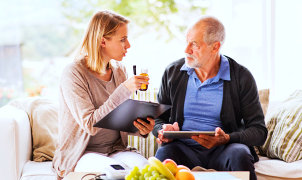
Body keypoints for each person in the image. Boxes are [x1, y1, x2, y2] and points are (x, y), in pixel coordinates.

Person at [152, 16, 267, 180]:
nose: (186, 49)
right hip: (183, 148)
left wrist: (227, 138)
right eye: (187, 42)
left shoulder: (241, 77)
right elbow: (158, 120)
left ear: (215, 47)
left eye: (195, 44)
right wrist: (162, 131)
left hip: (224, 150)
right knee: (164, 154)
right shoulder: (173, 72)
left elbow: (259, 132)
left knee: (240, 154)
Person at [52, 10, 154, 178]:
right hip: (83, 153)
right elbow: (90, 124)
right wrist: (124, 89)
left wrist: (141, 129)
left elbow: (119, 119)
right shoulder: (73, 73)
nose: (128, 45)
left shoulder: (120, 71)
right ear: (102, 41)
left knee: (145, 169)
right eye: (123, 39)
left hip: (116, 149)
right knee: (116, 172)